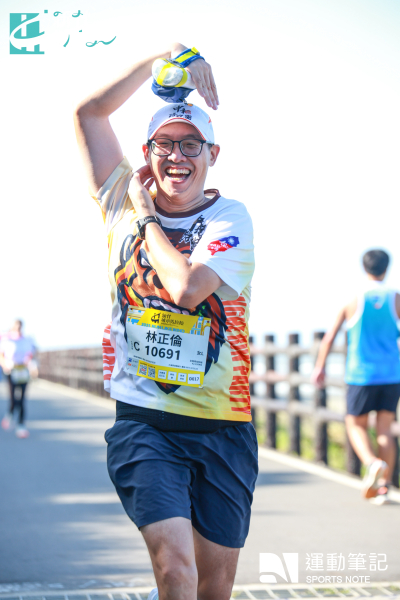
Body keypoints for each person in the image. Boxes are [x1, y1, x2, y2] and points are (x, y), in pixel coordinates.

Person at [74, 43, 257, 600]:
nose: (177, 157)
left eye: (190, 145)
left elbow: (186, 289)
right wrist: (161, 51)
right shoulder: (118, 200)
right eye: (164, 144)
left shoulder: (229, 218)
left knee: (213, 586)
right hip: (144, 424)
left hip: (222, 426)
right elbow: (88, 113)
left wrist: (147, 217)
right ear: (147, 152)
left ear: (212, 154)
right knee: (175, 569)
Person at [312, 249, 400, 505]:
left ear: (365, 268)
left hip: (361, 375)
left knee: (355, 424)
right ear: (386, 268)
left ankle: (372, 463)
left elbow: (330, 337)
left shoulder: (353, 299)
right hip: (391, 374)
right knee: (385, 429)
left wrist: (320, 366)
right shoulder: (395, 298)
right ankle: (383, 488)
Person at [0, 319, 37, 439]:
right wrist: (5, 365)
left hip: (23, 371)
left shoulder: (26, 340)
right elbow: (1, 355)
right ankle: (10, 413)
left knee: (22, 399)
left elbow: (31, 353)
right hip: (11, 371)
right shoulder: (7, 340)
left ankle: (21, 425)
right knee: (13, 398)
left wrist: (30, 363)